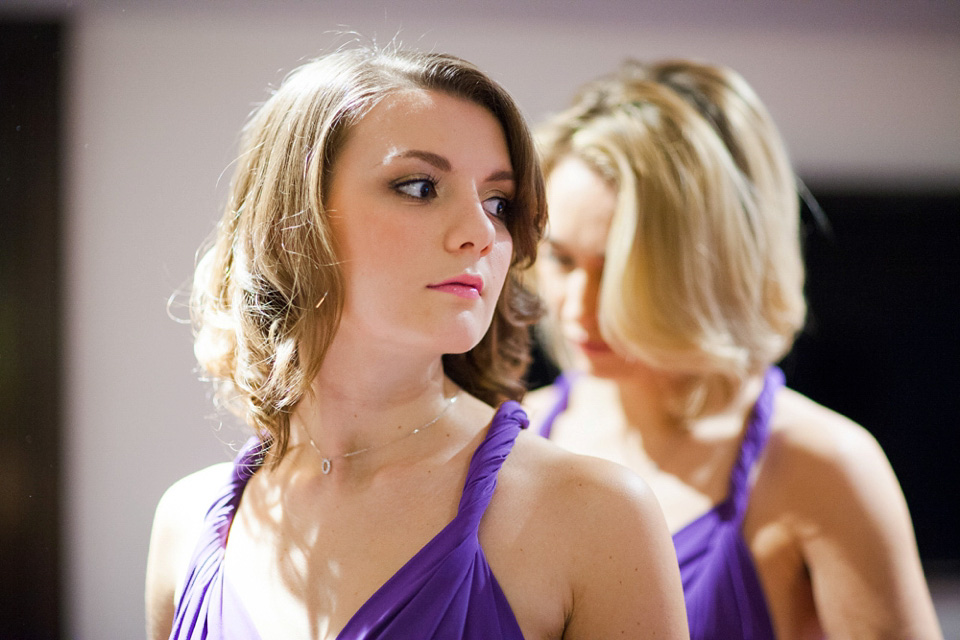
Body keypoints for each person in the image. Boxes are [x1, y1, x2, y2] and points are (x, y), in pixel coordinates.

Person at [144, 46, 689, 640]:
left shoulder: (593, 517)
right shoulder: (187, 523)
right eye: (420, 187)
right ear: (293, 218)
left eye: (499, 203)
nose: (481, 233)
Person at [527, 59, 943, 639]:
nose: (577, 305)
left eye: (623, 271)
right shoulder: (511, 438)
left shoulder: (821, 466)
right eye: (562, 258)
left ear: (716, 267)